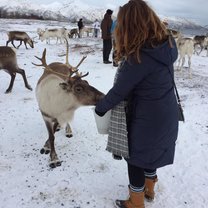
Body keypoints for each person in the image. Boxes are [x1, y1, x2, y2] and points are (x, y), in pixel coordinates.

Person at [95, 0, 179, 207]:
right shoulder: (167, 43)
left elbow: (119, 92)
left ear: (130, 25)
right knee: (151, 153)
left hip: (146, 117)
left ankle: (136, 201)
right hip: (167, 111)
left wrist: (100, 107)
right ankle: (149, 188)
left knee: (135, 158)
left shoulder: (138, 57)